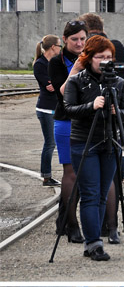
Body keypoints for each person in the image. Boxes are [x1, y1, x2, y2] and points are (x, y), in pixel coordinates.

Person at [62, 36, 124, 262]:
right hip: (85, 142)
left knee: (102, 195)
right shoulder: (77, 81)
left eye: (109, 57)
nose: (105, 61)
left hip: (111, 142)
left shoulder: (118, 83)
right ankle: (94, 243)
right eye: (100, 57)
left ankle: (93, 240)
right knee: (90, 195)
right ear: (89, 58)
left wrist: (115, 113)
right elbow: (69, 109)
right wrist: (91, 106)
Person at [50, 19, 89, 244]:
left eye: (83, 39)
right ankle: (72, 225)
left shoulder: (91, 56)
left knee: (87, 174)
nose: (79, 43)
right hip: (65, 120)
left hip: (87, 121)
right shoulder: (56, 62)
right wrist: (77, 67)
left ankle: (64, 220)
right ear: (64, 40)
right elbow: (62, 93)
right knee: (71, 173)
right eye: (74, 39)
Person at [32, 35, 62, 187]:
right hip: (45, 109)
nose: (60, 48)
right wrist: (58, 84)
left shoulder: (56, 63)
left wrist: (57, 84)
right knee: (50, 143)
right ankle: (46, 176)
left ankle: (48, 175)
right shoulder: (40, 64)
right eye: (59, 45)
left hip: (56, 107)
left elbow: (58, 84)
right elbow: (51, 87)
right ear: (52, 47)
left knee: (56, 142)